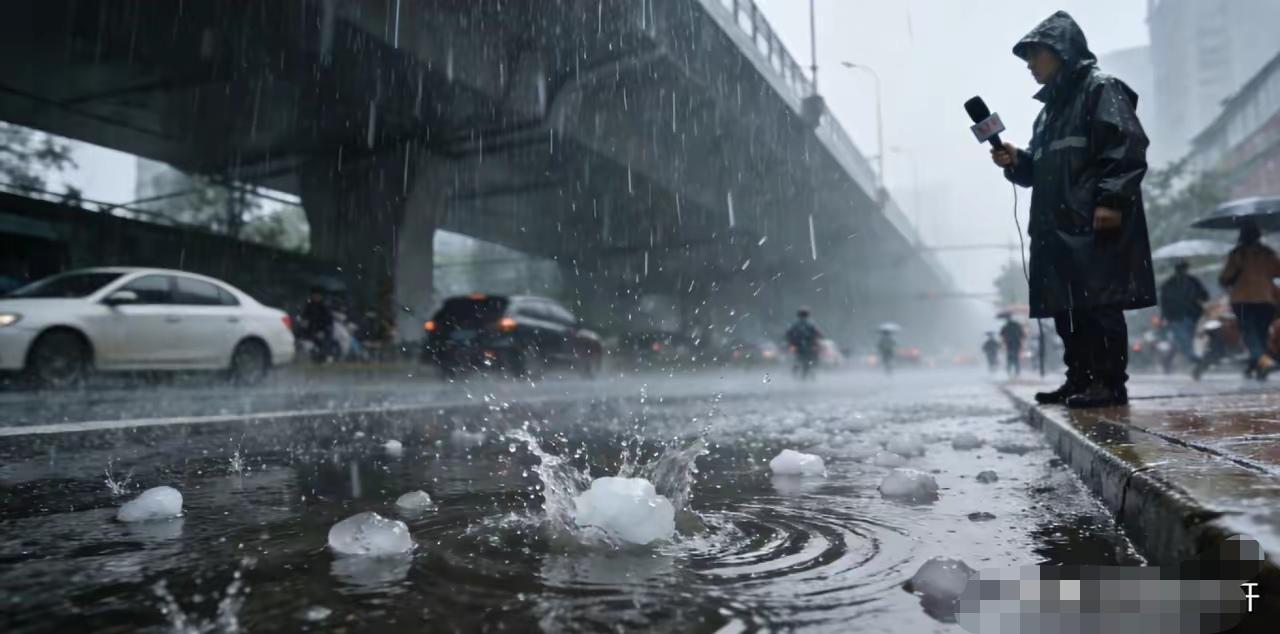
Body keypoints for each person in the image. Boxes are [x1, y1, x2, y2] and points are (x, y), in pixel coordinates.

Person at [991, 11, 1156, 408]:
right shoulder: (1048, 114)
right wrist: (1018, 160)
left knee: (1098, 304)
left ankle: (1109, 382)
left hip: (1091, 222)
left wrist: (1112, 200)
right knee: (1066, 309)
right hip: (1055, 225)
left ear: (1061, 52)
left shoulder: (1101, 89)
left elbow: (1126, 143)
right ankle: (1079, 377)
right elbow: (1042, 171)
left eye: (1035, 55)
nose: (1030, 65)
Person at [1218, 220, 1280, 380]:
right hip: (1266, 299)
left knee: (1249, 332)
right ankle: (1257, 367)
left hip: (1242, 300)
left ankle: (1263, 362)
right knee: (1261, 333)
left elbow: (1225, 278)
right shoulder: (1268, 253)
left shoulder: (1238, 254)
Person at [1158, 260, 1209, 377]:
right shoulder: (1169, 284)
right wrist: (1164, 316)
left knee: (1185, 340)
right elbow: (1164, 302)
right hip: (1176, 317)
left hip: (1191, 316)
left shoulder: (1193, 282)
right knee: (1183, 339)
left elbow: (1205, 295)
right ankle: (1194, 360)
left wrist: (1197, 299)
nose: (1182, 271)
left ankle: (1186, 361)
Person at [300, 287, 336, 362]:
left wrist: (323, 330)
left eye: (317, 295)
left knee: (323, 343)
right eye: (314, 295)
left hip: (323, 330)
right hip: (310, 331)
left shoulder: (324, 306)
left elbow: (329, 321)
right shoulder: (308, 305)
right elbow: (304, 318)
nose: (315, 297)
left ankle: (324, 357)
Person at [785, 308, 822, 379]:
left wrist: (791, 342)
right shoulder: (810, 324)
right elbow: (817, 333)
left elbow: (788, 334)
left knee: (797, 359)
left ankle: (796, 372)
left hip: (798, 346)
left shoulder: (794, 324)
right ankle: (805, 374)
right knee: (808, 360)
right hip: (807, 346)